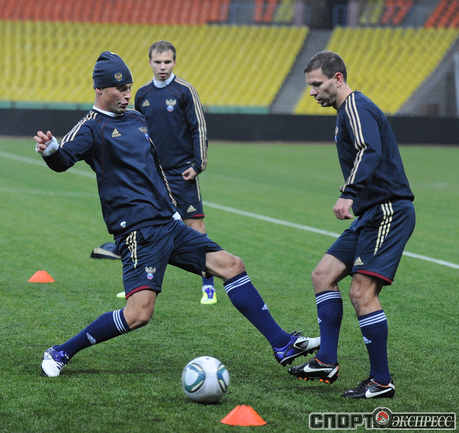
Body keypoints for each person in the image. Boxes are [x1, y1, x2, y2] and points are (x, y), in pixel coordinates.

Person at [34, 51, 320, 377]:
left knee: (232, 265)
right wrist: (51, 151)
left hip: (169, 224)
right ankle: (60, 351)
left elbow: (154, 170)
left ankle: (282, 344)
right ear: (100, 89)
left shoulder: (137, 119)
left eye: (129, 88)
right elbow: (63, 160)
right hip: (138, 232)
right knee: (139, 314)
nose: (127, 95)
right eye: (120, 89)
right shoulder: (90, 127)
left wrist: (173, 210)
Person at [288, 51, 415, 399]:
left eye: (317, 84)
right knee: (323, 275)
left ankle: (381, 382)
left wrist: (348, 193)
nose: (312, 92)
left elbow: (369, 149)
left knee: (361, 292)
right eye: (310, 85)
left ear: (338, 78)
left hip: (389, 211)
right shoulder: (345, 111)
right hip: (370, 213)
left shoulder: (355, 106)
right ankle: (326, 362)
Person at [134, 40, 215, 305]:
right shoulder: (142, 94)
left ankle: (208, 285)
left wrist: (198, 165)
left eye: (167, 61)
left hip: (182, 173)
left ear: (174, 62)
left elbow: (199, 128)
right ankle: (138, 285)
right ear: (149, 62)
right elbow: (137, 133)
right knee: (144, 229)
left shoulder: (185, 91)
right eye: (158, 62)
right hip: (153, 175)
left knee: (196, 228)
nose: (163, 66)